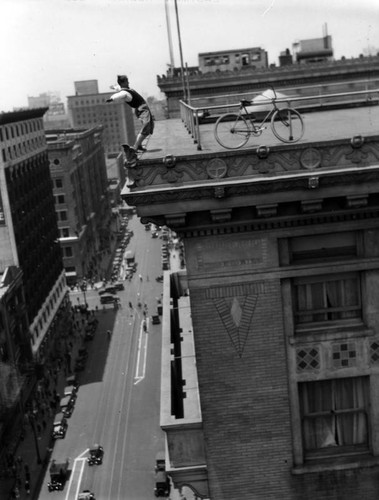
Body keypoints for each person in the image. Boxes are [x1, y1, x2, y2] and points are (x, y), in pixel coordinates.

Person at [106, 75, 154, 153]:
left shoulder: (125, 89)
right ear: (123, 83)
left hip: (143, 108)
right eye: (127, 81)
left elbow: (118, 88)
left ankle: (139, 145)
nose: (128, 82)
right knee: (146, 125)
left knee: (149, 127)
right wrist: (112, 98)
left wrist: (114, 87)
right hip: (141, 109)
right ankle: (135, 147)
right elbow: (119, 95)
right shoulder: (124, 92)